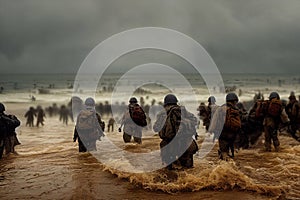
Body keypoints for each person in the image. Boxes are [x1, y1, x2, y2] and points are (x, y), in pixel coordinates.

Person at [153, 94, 198, 170]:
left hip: (169, 144)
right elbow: (195, 120)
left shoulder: (162, 113)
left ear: (165, 103)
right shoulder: (183, 110)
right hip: (186, 142)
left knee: (169, 170)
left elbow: (155, 128)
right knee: (188, 169)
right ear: (176, 102)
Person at [209, 93, 241, 160]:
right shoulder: (236, 110)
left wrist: (211, 131)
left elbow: (214, 121)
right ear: (235, 101)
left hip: (222, 134)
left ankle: (223, 165)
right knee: (231, 150)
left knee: (224, 152)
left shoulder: (220, 109)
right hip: (232, 134)